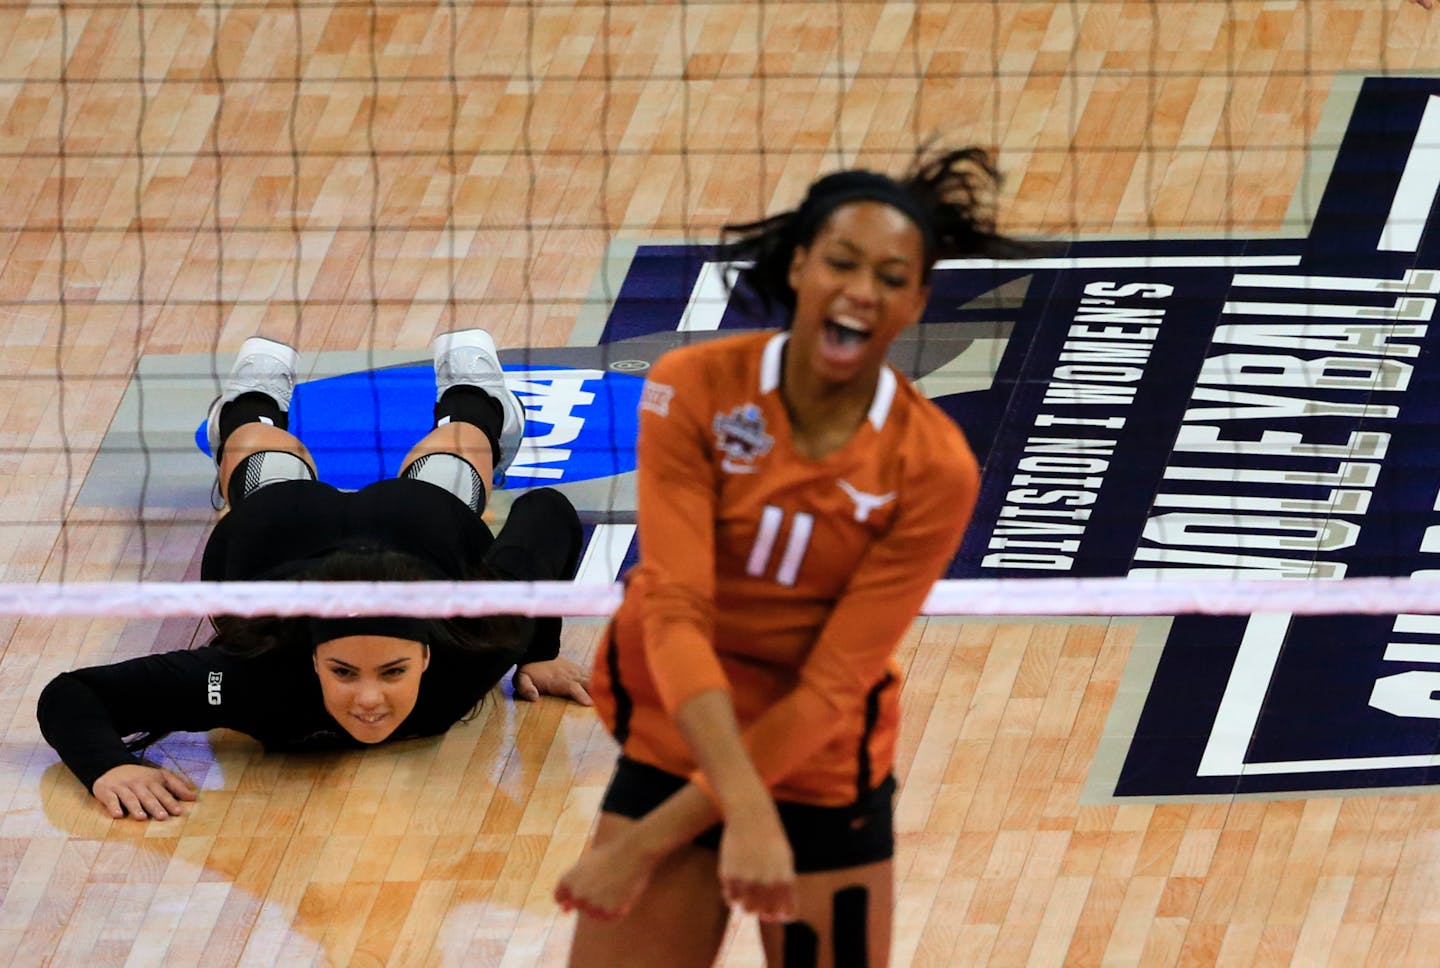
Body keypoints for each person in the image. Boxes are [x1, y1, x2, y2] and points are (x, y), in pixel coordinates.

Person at [555, 148, 1016, 967]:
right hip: (678, 738)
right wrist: (734, 804)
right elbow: (675, 608)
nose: (860, 290)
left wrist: (651, 841)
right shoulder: (694, 386)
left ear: (915, 302)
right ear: (800, 265)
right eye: (841, 261)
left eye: (889, 276)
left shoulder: (932, 467)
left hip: (818, 767)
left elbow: (834, 683)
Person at [38, 329, 591, 822]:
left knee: (445, 473)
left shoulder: (481, 639)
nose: (368, 698)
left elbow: (549, 512)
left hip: (403, 530)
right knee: (279, 464)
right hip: (285, 533)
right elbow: (73, 694)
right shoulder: (246, 676)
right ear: (312, 657)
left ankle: (471, 396)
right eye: (345, 672)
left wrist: (536, 649)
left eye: (392, 671)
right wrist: (106, 767)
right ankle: (251, 405)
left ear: (427, 655)